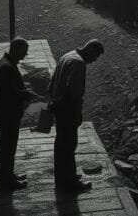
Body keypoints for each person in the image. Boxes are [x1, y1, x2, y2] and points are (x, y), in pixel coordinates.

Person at [48, 39, 104, 193]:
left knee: (60, 144)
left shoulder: (67, 56)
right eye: (95, 57)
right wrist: (77, 114)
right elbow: (75, 94)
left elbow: (51, 84)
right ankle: (70, 182)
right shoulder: (79, 64)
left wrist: (53, 101)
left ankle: (62, 177)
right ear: (91, 50)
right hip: (68, 110)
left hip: (59, 108)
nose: (94, 61)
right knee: (69, 145)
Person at [0, 38, 39, 190]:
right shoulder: (6, 67)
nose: (26, 55)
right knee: (8, 147)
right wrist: (28, 94)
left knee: (8, 146)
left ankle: (8, 175)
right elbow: (11, 93)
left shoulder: (6, 63)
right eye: (24, 51)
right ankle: (6, 181)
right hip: (8, 113)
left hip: (8, 112)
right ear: (17, 49)